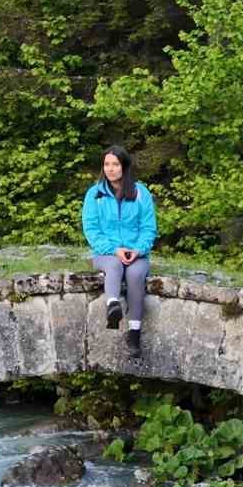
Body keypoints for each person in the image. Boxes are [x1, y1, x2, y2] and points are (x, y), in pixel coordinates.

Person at [81, 145, 157, 356]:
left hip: (136, 253)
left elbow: (149, 228)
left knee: (135, 274)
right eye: (106, 164)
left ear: (124, 166)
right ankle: (112, 305)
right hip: (106, 253)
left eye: (115, 164)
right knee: (114, 265)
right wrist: (114, 249)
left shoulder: (141, 193)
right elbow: (91, 230)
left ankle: (134, 334)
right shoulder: (94, 194)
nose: (110, 169)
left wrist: (138, 250)